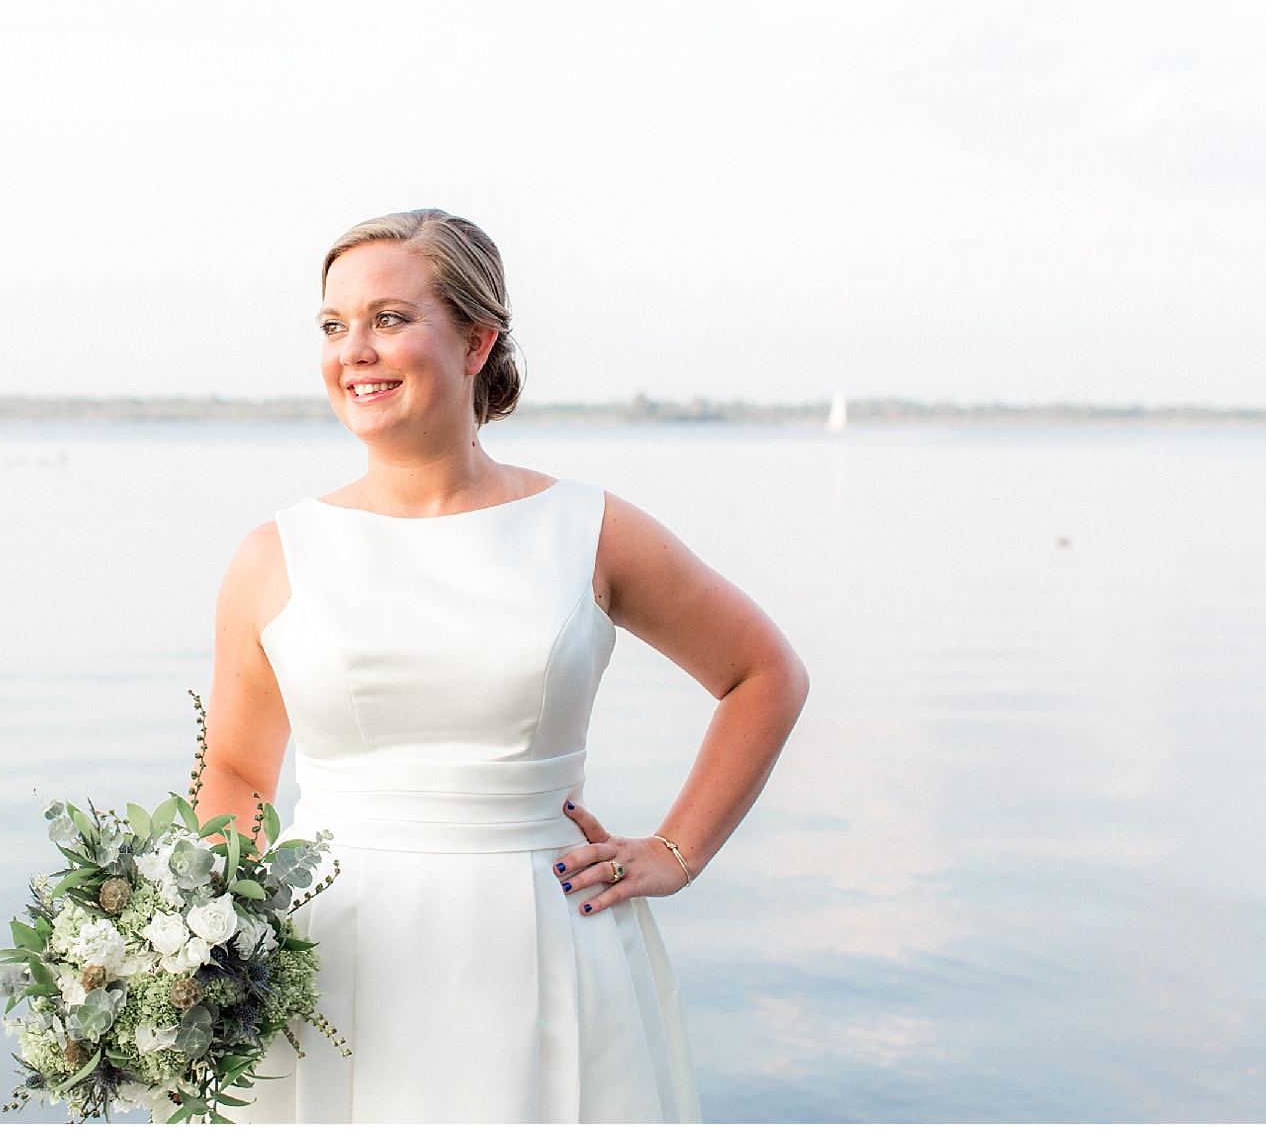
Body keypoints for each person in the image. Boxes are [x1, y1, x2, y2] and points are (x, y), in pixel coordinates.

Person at [194, 209, 808, 1123]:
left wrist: (678, 850)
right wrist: (206, 940)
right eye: (333, 326)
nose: (353, 350)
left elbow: (764, 673)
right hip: (327, 951)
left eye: (389, 319)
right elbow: (238, 770)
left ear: (477, 339)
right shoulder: (273, 554)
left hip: (545, 943)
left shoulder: (590, 529)